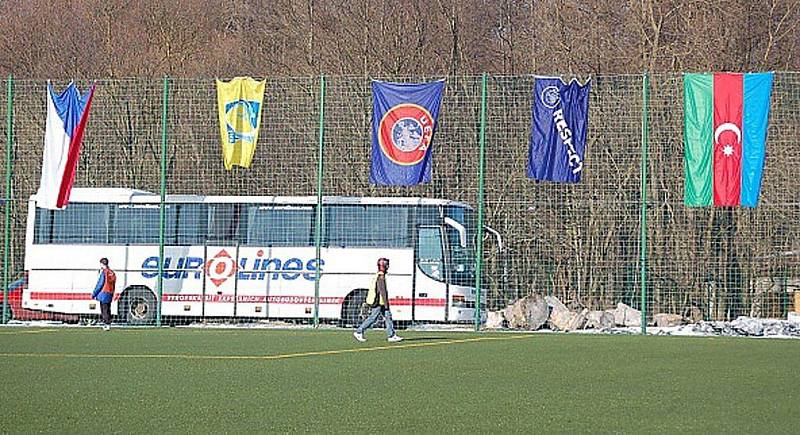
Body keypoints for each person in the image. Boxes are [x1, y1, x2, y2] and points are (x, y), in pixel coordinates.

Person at [354, 258, 403, 343]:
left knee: (388, 316)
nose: (388, 266)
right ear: (383, 266)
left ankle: (391, 335)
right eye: (386, 265)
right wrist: (386, 304)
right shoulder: (381, 276)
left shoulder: (378, 275)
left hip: (380, 301)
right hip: (378, 302)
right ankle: (359, 331)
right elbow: (382, 291)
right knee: (373, 317)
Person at [91, 257, 117, 331]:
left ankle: (106, 324)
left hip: (104, 292)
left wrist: (94, 293)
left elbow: (100, 284)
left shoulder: (104, 272)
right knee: (108, 309)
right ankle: (108, 323)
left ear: (102, 264)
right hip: (110, 292)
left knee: (104, 309)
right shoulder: (112, 272)